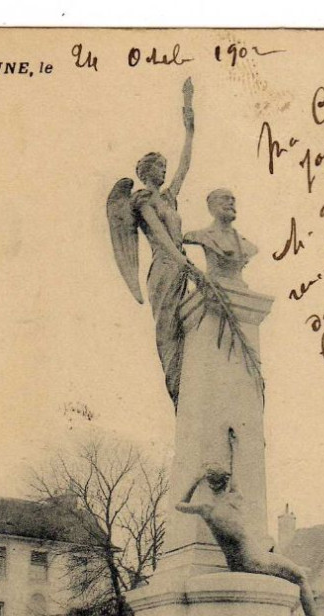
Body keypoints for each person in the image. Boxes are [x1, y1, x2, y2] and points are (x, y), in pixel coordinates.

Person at [176, 430, 324, 616]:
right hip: (255, 559)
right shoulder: (236, 499)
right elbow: (238, 470)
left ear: (209, 484)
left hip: (237, 561)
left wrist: (194, 479)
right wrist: (235, 445)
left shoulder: (206, 509)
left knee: (275, 550)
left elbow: (179, 504)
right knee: (299, 577)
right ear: (226, 481)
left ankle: (296, 585)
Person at [107, 79, 203, 409]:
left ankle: (191, 391)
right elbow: (161, 238)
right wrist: (186, 263)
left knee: (188, 327)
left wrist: (189, 126)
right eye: (159, 167)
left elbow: (186, 165)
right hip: (165, 268)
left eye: (165, 166)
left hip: (181, 264)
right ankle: (178, 394)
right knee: (168, 333)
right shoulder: (143, 200)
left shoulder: (170, 198)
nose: (164, 171)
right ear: (147, 172)